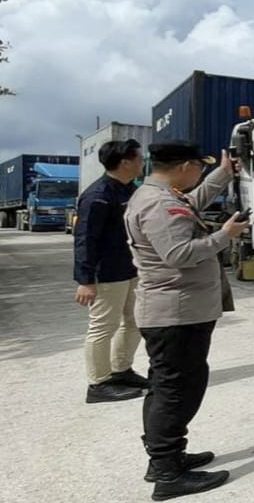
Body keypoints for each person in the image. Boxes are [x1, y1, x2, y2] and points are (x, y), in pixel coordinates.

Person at [125, 141, 250, 499]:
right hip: (175, 313)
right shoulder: (160, 204)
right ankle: (167, 474)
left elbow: (192, 202)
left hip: (177, 311)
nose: (198, 174)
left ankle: (167, 458)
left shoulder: (161, 196)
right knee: (175, 391)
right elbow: (178, 254)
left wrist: (224, 173)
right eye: (199, 167)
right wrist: (224, 236)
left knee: (170, 386)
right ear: (184, 167)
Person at [73, 138, 149, 403]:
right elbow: (84, 239)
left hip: (130, 269)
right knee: (103, 327)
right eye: (139, 158)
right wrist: (85, 280)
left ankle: (120, 370)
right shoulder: (98, 196)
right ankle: (98, 383)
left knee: (136, 321)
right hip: (106, 274)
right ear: (126, 162)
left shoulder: (130, 190)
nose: (142, 163)